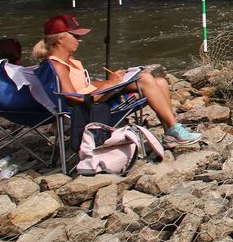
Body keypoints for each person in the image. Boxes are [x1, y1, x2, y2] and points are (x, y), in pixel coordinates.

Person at [32, 15, 201, 145]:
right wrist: (110, 84)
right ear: (60, 38)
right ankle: (174, 128)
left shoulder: (71, 62)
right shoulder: (57, 66)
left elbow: (85, 85)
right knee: (144, 78)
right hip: (90, 107)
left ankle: (170, 133)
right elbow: (72, 97)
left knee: (160, 82)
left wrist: (116, 80)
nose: (80, 40)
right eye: (75, 36)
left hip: (98, 96)